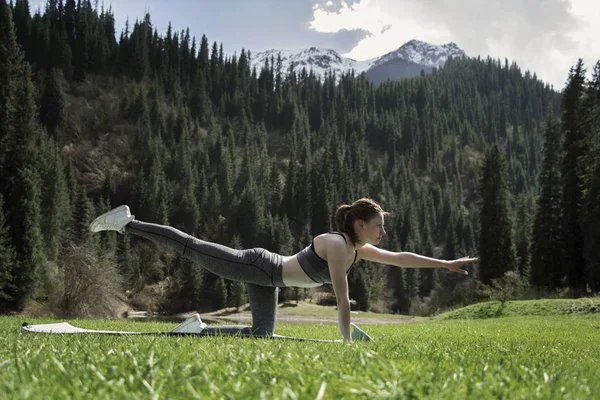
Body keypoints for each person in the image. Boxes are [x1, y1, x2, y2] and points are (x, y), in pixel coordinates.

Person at [90, 198, 477, 341]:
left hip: (269, 279)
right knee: (191, 247)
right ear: (359, 224)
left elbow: (400, 257)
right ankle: (127, 222)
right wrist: (346, 339)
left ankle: (198, 329)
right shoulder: (340, 245)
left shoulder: (358, 247)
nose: (383, 232)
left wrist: (445, 263)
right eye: (378, 225)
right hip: (259, 265)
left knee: (261, 335)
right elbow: (342, 298)